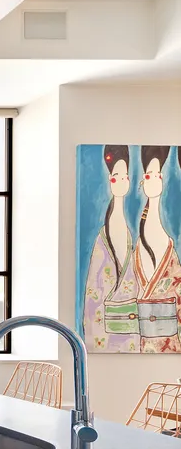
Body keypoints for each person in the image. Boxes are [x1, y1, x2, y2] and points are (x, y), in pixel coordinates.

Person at [83, 146, 139, 351]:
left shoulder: (130, 234)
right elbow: (93, 292)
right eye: (117, 177)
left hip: (130, 329)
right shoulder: (102, 239)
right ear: (110, 179)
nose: (122, 181)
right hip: (105, 327)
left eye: (125, 177)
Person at [134, 146, 181, 352]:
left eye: (158, 175)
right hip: (144, 340)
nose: (154, 179)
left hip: (171, 341)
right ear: (142, 181)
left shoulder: (168, 241)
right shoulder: (138, 244)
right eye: (149, 175)